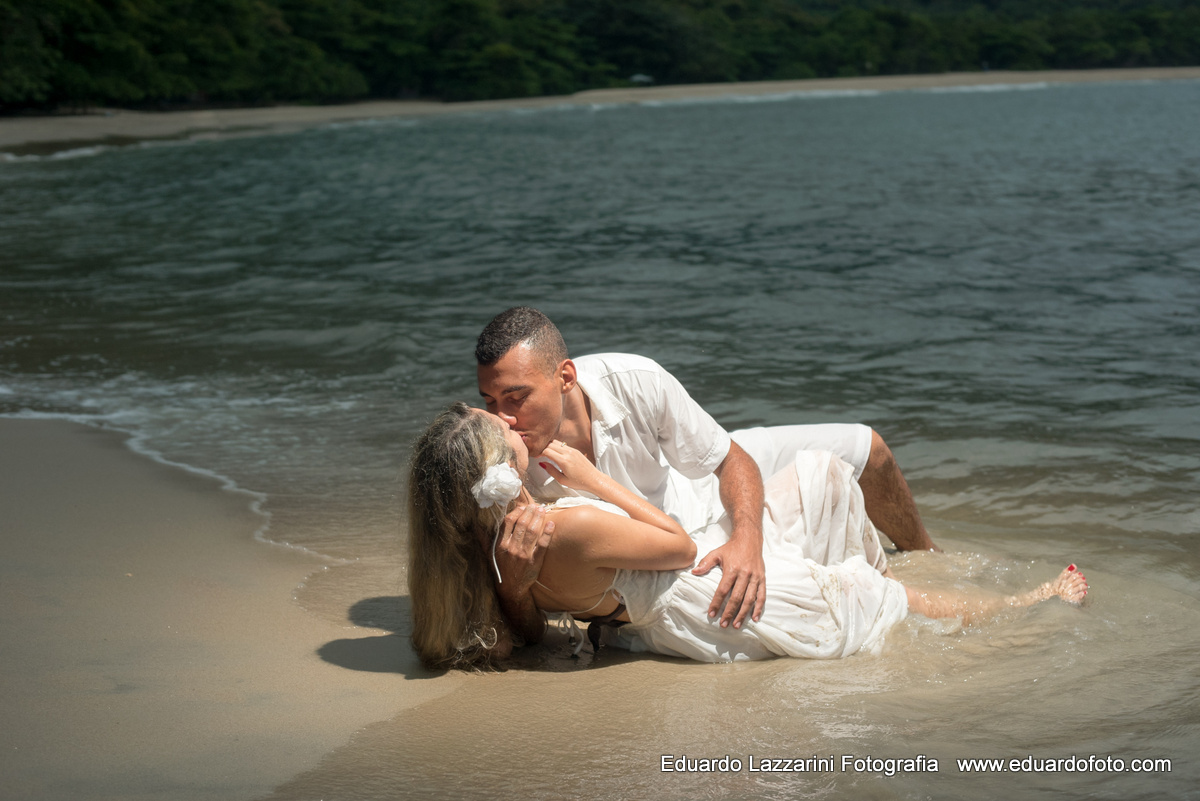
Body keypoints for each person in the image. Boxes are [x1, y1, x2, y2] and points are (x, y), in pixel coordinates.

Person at [406, 403, 1088, 670]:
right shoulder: (565, 522)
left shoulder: (499, 545)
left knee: (818, 478)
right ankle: (1029, 609)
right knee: (878, 597)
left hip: (663, 593)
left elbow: (531, 622)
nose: (506, 419)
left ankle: (924, 578)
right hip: (700, 597)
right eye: (499, 429)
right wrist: (592, 477)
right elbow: (673, 543)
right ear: (502, 470)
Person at [474, 306, 939, 646]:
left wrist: (747, 541)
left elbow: (731, 460)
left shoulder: (635, 380)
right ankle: (895, 590)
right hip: (666, 558)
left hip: (689, 490)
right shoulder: (502, 459)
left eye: (517, 397)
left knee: (866, 450)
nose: (504, 419)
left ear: (566, 377)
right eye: (490, 402)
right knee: (846, 584)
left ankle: (932, 558)